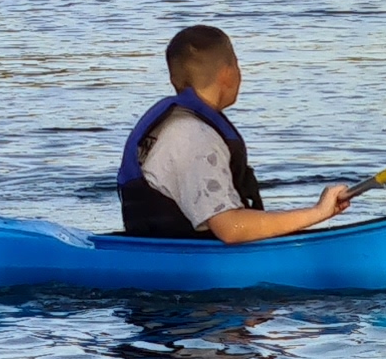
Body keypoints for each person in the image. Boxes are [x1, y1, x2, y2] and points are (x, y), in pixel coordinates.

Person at [116, 24, 359, 244]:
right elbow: (230, 228)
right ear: (227, 73)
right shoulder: (193, 136)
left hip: (161, 246)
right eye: (237, 64)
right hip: (185, 265)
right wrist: (318, 212)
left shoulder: (175, 125)